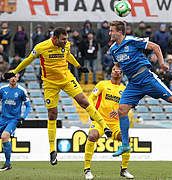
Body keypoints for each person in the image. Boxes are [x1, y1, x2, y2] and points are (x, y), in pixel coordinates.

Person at [4, 27, 109, 166]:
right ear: (55, 38)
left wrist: (78, 66)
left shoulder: (66, 45)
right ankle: (52, 150)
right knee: (52, 115)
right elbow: (28, 60)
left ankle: (104, 126)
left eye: (66, 39)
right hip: (50, 83)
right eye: (63, 39)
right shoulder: (42, 47)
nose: (66, 41)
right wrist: (14, 71)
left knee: (83, 101)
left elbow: (68, 55)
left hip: (66, 79)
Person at [108, 21, 172, 157]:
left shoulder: (131, 41)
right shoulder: (113, 49)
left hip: (146, 77)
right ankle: (125, 144)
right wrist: (118, 70)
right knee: (122, 110)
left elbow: (155, 47)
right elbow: (119, 64)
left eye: (112, 31)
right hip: (133, 83)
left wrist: (161, 63)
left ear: (120, 32)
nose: (110, 33)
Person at [84, 65, 134, 180]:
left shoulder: (125, 89)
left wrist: (120, 111)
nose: (116, 72)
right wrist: (93, 113)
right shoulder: (102, 84)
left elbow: (130, 104)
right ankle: (87, 169)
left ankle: (124, 169)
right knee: (92, 136)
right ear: (111, 72)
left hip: (116, 123)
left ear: (122, 74)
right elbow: (90, 98)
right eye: (114, 70)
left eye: (119, 70)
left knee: (126, 138)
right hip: (100, 121)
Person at [0, 73, 31, 171]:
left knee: (5, 136)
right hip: (2, 118)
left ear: (17, 78)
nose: (13, 79)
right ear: (8, 78)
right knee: (4, 139)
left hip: (13, 120)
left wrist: (22, 118)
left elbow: (28, 106)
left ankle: (8, 163)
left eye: (15, 77)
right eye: (11, 77)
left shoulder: (22, 91)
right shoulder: (2, 89)